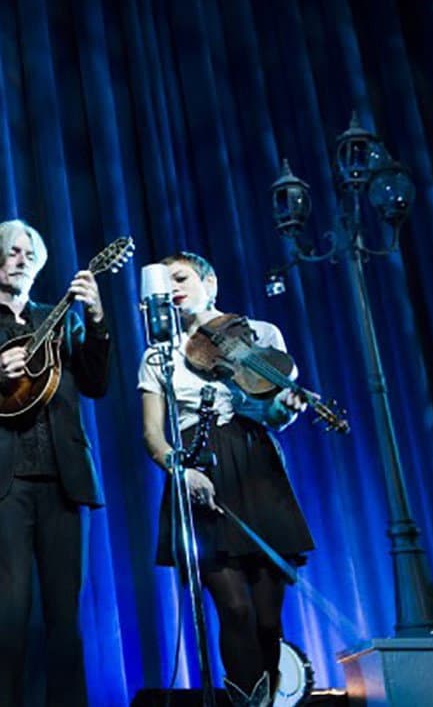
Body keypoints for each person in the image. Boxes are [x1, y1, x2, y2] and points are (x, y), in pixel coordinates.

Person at [0, 219, 111, 707]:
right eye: (11, 252)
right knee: (7, 609)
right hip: (1, 481)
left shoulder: (64, 319)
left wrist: (96, 319)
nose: (22, 257)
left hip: (64, 475)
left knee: (65, 614)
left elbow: (97, 384)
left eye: (29, 251)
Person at [138, 251, 312, 706]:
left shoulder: (259, 334)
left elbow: (273, 415)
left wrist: (285, 409)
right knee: (234, 609)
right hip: (200, 470)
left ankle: (268, 700)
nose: (173, 288)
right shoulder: (160, 354)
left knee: (268, 619)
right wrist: (181, 469)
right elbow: (153, 435)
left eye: (182, 278)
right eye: (166, 284)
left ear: (210, 282)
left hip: (256, 468)